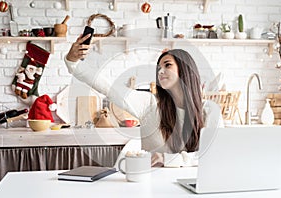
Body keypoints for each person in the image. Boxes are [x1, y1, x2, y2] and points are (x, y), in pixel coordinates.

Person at [64, 34, 224, 167]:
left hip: (195, 187)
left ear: (185, 70)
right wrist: (73, 63)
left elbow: (214, 155)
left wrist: (168, 159)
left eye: (167, 65)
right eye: (158, 68)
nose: (160, 71)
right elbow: (108, 86)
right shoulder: (149, 104)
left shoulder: (209, 110)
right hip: (153, 187)